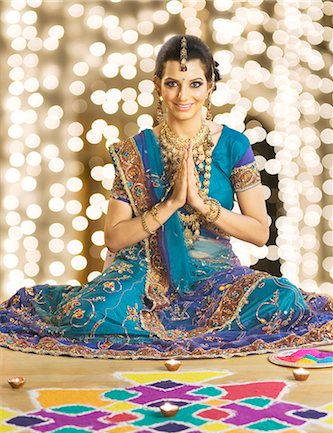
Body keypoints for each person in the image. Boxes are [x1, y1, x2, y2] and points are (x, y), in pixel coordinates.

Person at [0, 35, 332, 359]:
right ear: (158, 85)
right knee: (82, 314)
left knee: (283, 298)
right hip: (140, 276)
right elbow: (114, 239)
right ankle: (182, 329)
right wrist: (169, 204)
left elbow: (259, 233)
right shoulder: (136, 151)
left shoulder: (234, 146)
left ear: (210, 86)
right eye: (173, 83)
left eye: (195, 84)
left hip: (214, 278)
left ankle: (177, 329)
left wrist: (204, 206)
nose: (183, 95)